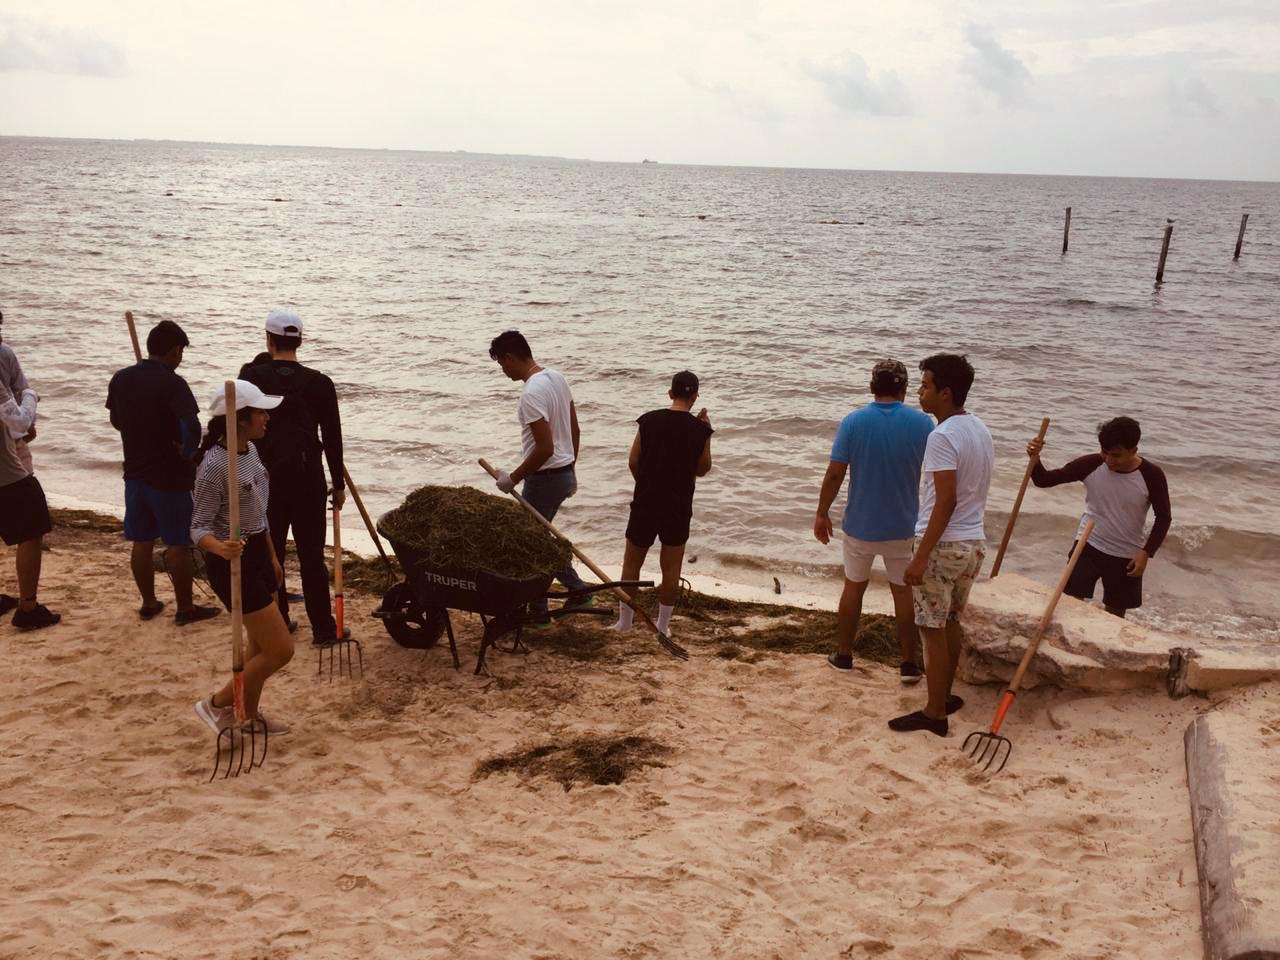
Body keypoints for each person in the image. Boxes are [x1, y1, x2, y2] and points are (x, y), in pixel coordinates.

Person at [890, 354, 993, 737]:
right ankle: (944, 696)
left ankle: (934, 713)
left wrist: (920, 557)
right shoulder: (978, 428)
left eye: (926, 385)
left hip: (943, 546)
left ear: (945, 393)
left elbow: (945, 500)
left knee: (930, 629)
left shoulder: (942, 436)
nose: (919, 391)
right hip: (973, 542)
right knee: (949, 622)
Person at [814, 359, 934, 682]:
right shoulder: (923, 424)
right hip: (903, 526)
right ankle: (909, 663)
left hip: (860, 526)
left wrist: (822, 512)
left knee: (854, 588)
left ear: (872, 387)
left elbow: (835, 473)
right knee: (903, 594)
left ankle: (843, 655)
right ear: (904, 388)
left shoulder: (853, 422)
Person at [191, 380, 293, 736]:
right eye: (260, 412)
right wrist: (221, 548)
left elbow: (259, 513)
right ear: (240, 419)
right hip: (231, 563)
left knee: (259, 645)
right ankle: (216, 703)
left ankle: (248, 716)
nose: (267, 418)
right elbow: (198, 527)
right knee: (281, 650)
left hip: (258, 552)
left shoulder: (250, 451)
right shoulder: (214, 466)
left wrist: (272, 556)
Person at [240, 309, 346, 644]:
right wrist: (338, 485)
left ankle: (280, 622)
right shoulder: (320, 382)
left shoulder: (251, 377)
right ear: (299, 341)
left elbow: (238, 427)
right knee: (311, 556)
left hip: (263, 478)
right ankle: (323, 629)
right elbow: (333, 437)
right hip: (308, 478)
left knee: (270, 554)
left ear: (269, 340)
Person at [105, 320, 219, 625]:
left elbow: (116, 420)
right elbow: (191, 425)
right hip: (169, 475)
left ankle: (149, 602)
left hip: (135, 472)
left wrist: (136, 429)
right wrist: (188, 452)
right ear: (174, 350)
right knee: (178, 542)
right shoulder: (173, 383)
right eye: (181, 352)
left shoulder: (121, 378)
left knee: (142, 540)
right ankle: (185, 609)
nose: (180, 358)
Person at [1026, 416, 1170, 618]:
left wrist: (1146, 553)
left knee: (1115, 615)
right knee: (1069, 604)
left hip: (1126, 553)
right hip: (1088, 544)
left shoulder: (1152, 475)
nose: (1109, 460)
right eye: (1105, 452)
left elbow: (1163, 518)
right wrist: (1035, 458)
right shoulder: (1091, 464)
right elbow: (1044, 480)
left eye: (1116, 455)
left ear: (1133, 450)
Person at [489, 330, 588, 613]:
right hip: (562, 473)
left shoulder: (531, 393)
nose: (503, 370)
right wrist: (570, 468)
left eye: (502, 364)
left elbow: (545, 448)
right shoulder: (557, 378)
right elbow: (575, 430)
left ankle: (575, 591)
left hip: (545, 478)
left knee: (530, 542)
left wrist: (512, 479)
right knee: (537, 539)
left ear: (510, 357)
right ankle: (540, 607)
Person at [610, 371, 713, 638]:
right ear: (695, 397)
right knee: (671, 567)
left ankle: (624, 622)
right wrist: (706, 432)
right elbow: (703, 469)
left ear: (670, 393)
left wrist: (644, 484)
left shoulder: (648, 420)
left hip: (646, 501)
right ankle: (663, 626)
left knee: (632, 562)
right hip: (678, 505)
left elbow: (633, 461)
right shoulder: (700, 429)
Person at [0, 312, 59, 629]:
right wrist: (32, 398)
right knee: (33, 527)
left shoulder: (4, 355)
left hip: (11, 453)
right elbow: (19, 421)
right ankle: (28, 607)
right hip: (6, 468)